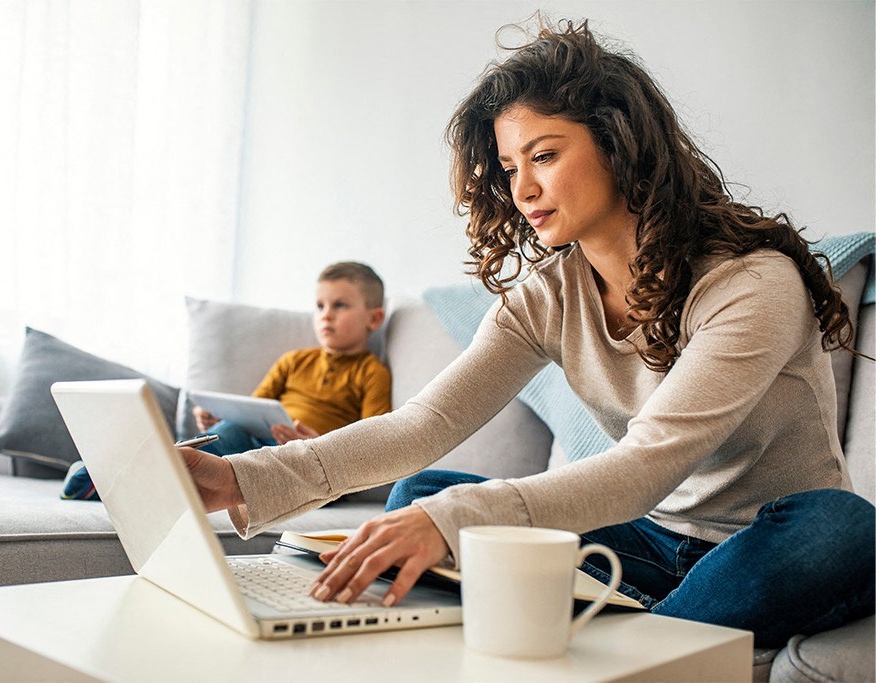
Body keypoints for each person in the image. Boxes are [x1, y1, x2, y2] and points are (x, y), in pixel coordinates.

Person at [180, 20, 875, 646]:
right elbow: (424, 423)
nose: (522, 189)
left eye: (544, 155)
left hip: (769, 538)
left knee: (839, 529)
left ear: (619, 143)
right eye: (511, 167)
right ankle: (643, 621)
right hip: (650, 539)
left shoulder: (751, 284)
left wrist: (455, 520)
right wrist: (241, 474)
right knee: (421, 490)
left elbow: (646, 466)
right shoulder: (548, 295)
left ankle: (640, 635)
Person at [193, 261, 391, 455]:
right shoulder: (294, 360)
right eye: (320, 306)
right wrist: (217, 419)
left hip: (307, 455)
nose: (326, 315)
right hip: (255, 439)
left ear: (374, 319)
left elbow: (372, 443)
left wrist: (319, 447)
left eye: (339, 305)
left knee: (288, 459)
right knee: (229, 430)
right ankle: (187, 460)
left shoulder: (373, 373)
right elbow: (252, 410)